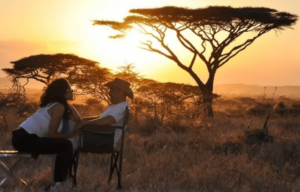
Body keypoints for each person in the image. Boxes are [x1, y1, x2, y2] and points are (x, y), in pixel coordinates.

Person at [11, 78, 82, 190]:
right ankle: (59, 184)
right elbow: (52, 135)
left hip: (21, 137)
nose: (72, 91)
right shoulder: (58, 107)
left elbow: (78, 120)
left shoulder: (57, 105)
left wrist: (70, 106)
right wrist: (71, 135)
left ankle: (59, 183)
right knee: (66, 145)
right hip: (24, 139)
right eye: (69, 89)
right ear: (62, 92)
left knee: (64, 145)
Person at [78, 78, 133, 146]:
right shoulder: (115, 106)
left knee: (67, 141)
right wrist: (85, 119)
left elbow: (107, 120)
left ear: (119, 92)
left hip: (102, 139)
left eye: (112, 89)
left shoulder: (122, 106)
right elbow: (100, 118)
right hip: (100, 136)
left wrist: (85, 124)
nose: (109, 92)